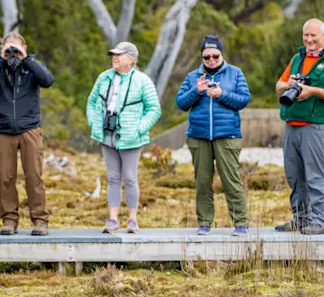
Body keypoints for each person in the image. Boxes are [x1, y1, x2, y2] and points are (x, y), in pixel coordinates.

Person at [0, 33, 55, 236]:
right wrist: (0, 59)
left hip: (29, 128)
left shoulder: (32, 66)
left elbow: (48, 80)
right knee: (5, 176)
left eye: (16, 49)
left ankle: (40, 220)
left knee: (34, 176)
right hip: (4, 130)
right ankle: (9, 220)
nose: (13, 53)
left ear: (24, 49)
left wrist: (26, 58)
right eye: (9, 49)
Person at [175, 35, 251, 236]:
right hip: (198, 136)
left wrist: (222, 94)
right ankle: (204, 223)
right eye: (206, 57)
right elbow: (181, 103)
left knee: (231, 180)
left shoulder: (235, 73)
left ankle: (241, 223)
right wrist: (196, 91)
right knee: (202, 182)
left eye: (215, 56)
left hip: (227, 136)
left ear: (221, 54)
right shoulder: (193, 77)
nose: (211, 60)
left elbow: (244, 99)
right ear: (201, 57)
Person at [86, 42, 161, 234]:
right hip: (107, 134)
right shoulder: (104, 77)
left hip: (131, 137)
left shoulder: (143, 80)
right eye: (113, 54)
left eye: (119, 54)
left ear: (131, 59)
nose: (115, 57)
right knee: (112, 178)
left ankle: (132, 220)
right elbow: (92, 102)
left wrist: (139, 129)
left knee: (129, 177)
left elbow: (154, 109)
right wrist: (95, 124)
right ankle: (112, 220)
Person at [274, 18, 324, 235]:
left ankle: (320, 220)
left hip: (314, 126)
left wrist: (311, 91)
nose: (309, 39)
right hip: (291, 125)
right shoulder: (297, 58)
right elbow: (278, 86)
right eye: (306, 35)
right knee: (294, 176)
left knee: (315, 176)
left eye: (314, 35)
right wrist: (291, 85)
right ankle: (301, 218)